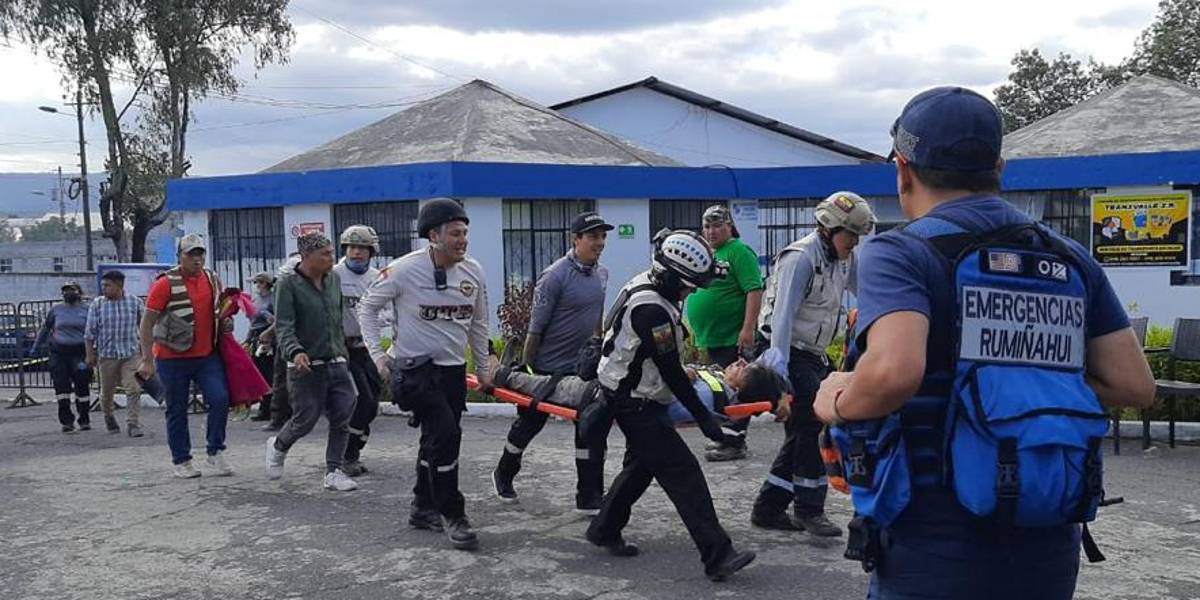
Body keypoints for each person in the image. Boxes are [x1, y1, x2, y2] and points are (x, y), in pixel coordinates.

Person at [812, 86, 1156, 599]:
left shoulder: (899, 253)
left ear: (903, 170)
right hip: (1048, 544)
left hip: (932, 543)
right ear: (999, 167)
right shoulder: (1068, 257)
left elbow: (892, 374)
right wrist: (1017, 374)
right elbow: (1134, 385)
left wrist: (835, 400)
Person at [584, 229, 756, 582]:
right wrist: (706, 420)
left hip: (634, 394)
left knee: (640, 468)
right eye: (687, 287)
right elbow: (673, 373)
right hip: (635, 403)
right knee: (684, 474)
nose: (690, 293)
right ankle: (718, 555)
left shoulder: (651, 285)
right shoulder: (652, 311)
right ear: (670, 277)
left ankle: (604, 528)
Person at [359, 198, 492, 551]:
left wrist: (483, 368)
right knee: (446, 435)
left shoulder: (473, 272)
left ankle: (422, 506)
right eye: (455, 234)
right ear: (434, 236)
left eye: (465, 233)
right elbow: (367, 308)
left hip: (452, 372)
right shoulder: (403, 270)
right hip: (415, 373)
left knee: (435, 438)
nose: (462, 240)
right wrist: (378, 357)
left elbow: (478, 323)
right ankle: (453, 514)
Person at [750, 191, 876, 536]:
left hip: (812, 353)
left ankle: (768, 508)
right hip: (786, 349)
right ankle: (809, 510)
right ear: (829, 228)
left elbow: (867, 293)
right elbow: (783, 316)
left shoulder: (844, 258)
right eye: (851, 235)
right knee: (813, 423)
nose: (855, 242)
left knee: (802, 431)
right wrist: (779, 372)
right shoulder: (801, 258)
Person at [491, 211, 612, 512]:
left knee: (590, 427)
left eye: (602, 236)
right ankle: (503, 474)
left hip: (582, 369)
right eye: (593, 236)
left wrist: (597, 348)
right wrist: (528, 371)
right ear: (576, 239)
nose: (599, 242)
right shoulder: (555, 276)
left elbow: (596, 315)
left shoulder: (601, 274)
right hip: (547, 369)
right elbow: (536, 328)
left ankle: (588, 496)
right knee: (529, 425)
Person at [264, 232, 359, 492]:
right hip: (305, 365)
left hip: (336, 360)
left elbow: (337, 318)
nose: (332, 258)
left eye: (331, 252)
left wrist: (342, 350)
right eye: (325, 254)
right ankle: (279, 445)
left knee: (343, 413)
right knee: (305, 418)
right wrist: (295, 352)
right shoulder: (287, 284)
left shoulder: (334, 279)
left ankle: (334, 471)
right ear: (306, 256)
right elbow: (284, 325)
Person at [137, 233, 234, 479]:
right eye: (191, 254)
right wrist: (147, 359)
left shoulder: (212, 279)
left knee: (220, 399)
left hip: (206, 355)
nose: (197, 259)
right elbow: (146, 324)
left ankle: (215, 450)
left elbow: (219, 311)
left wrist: (226, 321)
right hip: (172, 358)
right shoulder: (165, 284)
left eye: (200, 253)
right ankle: (182, 460)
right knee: (177, 409)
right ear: (180, 256)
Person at [489, 354, 791, 424]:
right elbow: (774, 357)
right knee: (558, 380)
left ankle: (500, 374)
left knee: (553, 387)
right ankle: (510, 371)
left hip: (611, 394)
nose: (740, 361)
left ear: (744, 385)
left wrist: (676, 375)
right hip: (623, 381)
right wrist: (779, 396)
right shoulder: (717, 384)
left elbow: (667, 406)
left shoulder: (708, 395)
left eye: (745, 368)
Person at [687, 204, 764, 462]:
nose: (711, 231)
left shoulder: (738, 252)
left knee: (737, 390)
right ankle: (724, 436)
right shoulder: (708, 254)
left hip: (733, 338)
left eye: (717, 226)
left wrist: (747, 329)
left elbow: (754, 290)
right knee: (719, 390)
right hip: (712, 338)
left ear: (729, 226)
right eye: (707, 226)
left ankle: (733, 441)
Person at [333, 225, 384, 477]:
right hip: (343, 349)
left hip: (368, 348)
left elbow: (388, 310)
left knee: (373, 403)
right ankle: (345, 455)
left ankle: (354, 448)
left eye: (363, 248)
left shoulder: (377, 277)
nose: (357, 253)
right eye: (352, 247)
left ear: (371, 252)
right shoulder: (334, 275)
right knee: (362, 401)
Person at [84, 270, 147, 437]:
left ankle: (133, 424)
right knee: (107, 393)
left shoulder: (135, 302)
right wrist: (90, 355)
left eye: (107, 285)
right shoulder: (97, 304)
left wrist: (147, 354)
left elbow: (144, 328)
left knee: (133, 388)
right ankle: (109, 417)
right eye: (103, 285)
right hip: (107, 355)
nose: (103, 288)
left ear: (119, 285)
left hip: (130, 354)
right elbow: (89, 333)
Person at [33, 281, 93, 433]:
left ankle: (84, 419)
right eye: (65, 291)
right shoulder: (56, 310)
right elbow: (45, 328)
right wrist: (36, 346)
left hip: (80, 352)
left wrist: (95, 351)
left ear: (79, 292)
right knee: (61, 386)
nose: (68, 293)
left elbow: (94, 330)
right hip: (59, 353)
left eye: (71, 290)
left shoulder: (87, 310)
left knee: (82, 384)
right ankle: (67, 421)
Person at [261, 254, 301, 433]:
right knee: (283, 379)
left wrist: (269, 333)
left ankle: (281, 418)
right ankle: (282, 417)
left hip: (292, 339)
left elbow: (284, 317)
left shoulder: (293, 287)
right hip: (291, 339)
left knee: (283, 380)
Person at [248, 271, 277, 423]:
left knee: (269, 373)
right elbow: (252, 321)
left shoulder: (273, 299)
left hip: (267, 336)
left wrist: (268, 317)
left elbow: (277, 319)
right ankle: (263, 407)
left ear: (265, 283)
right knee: (259, 374)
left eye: (258, 283)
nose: (256, 286)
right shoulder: (256, 299)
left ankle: (271, 408)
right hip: (255, 336)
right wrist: (248, 339)